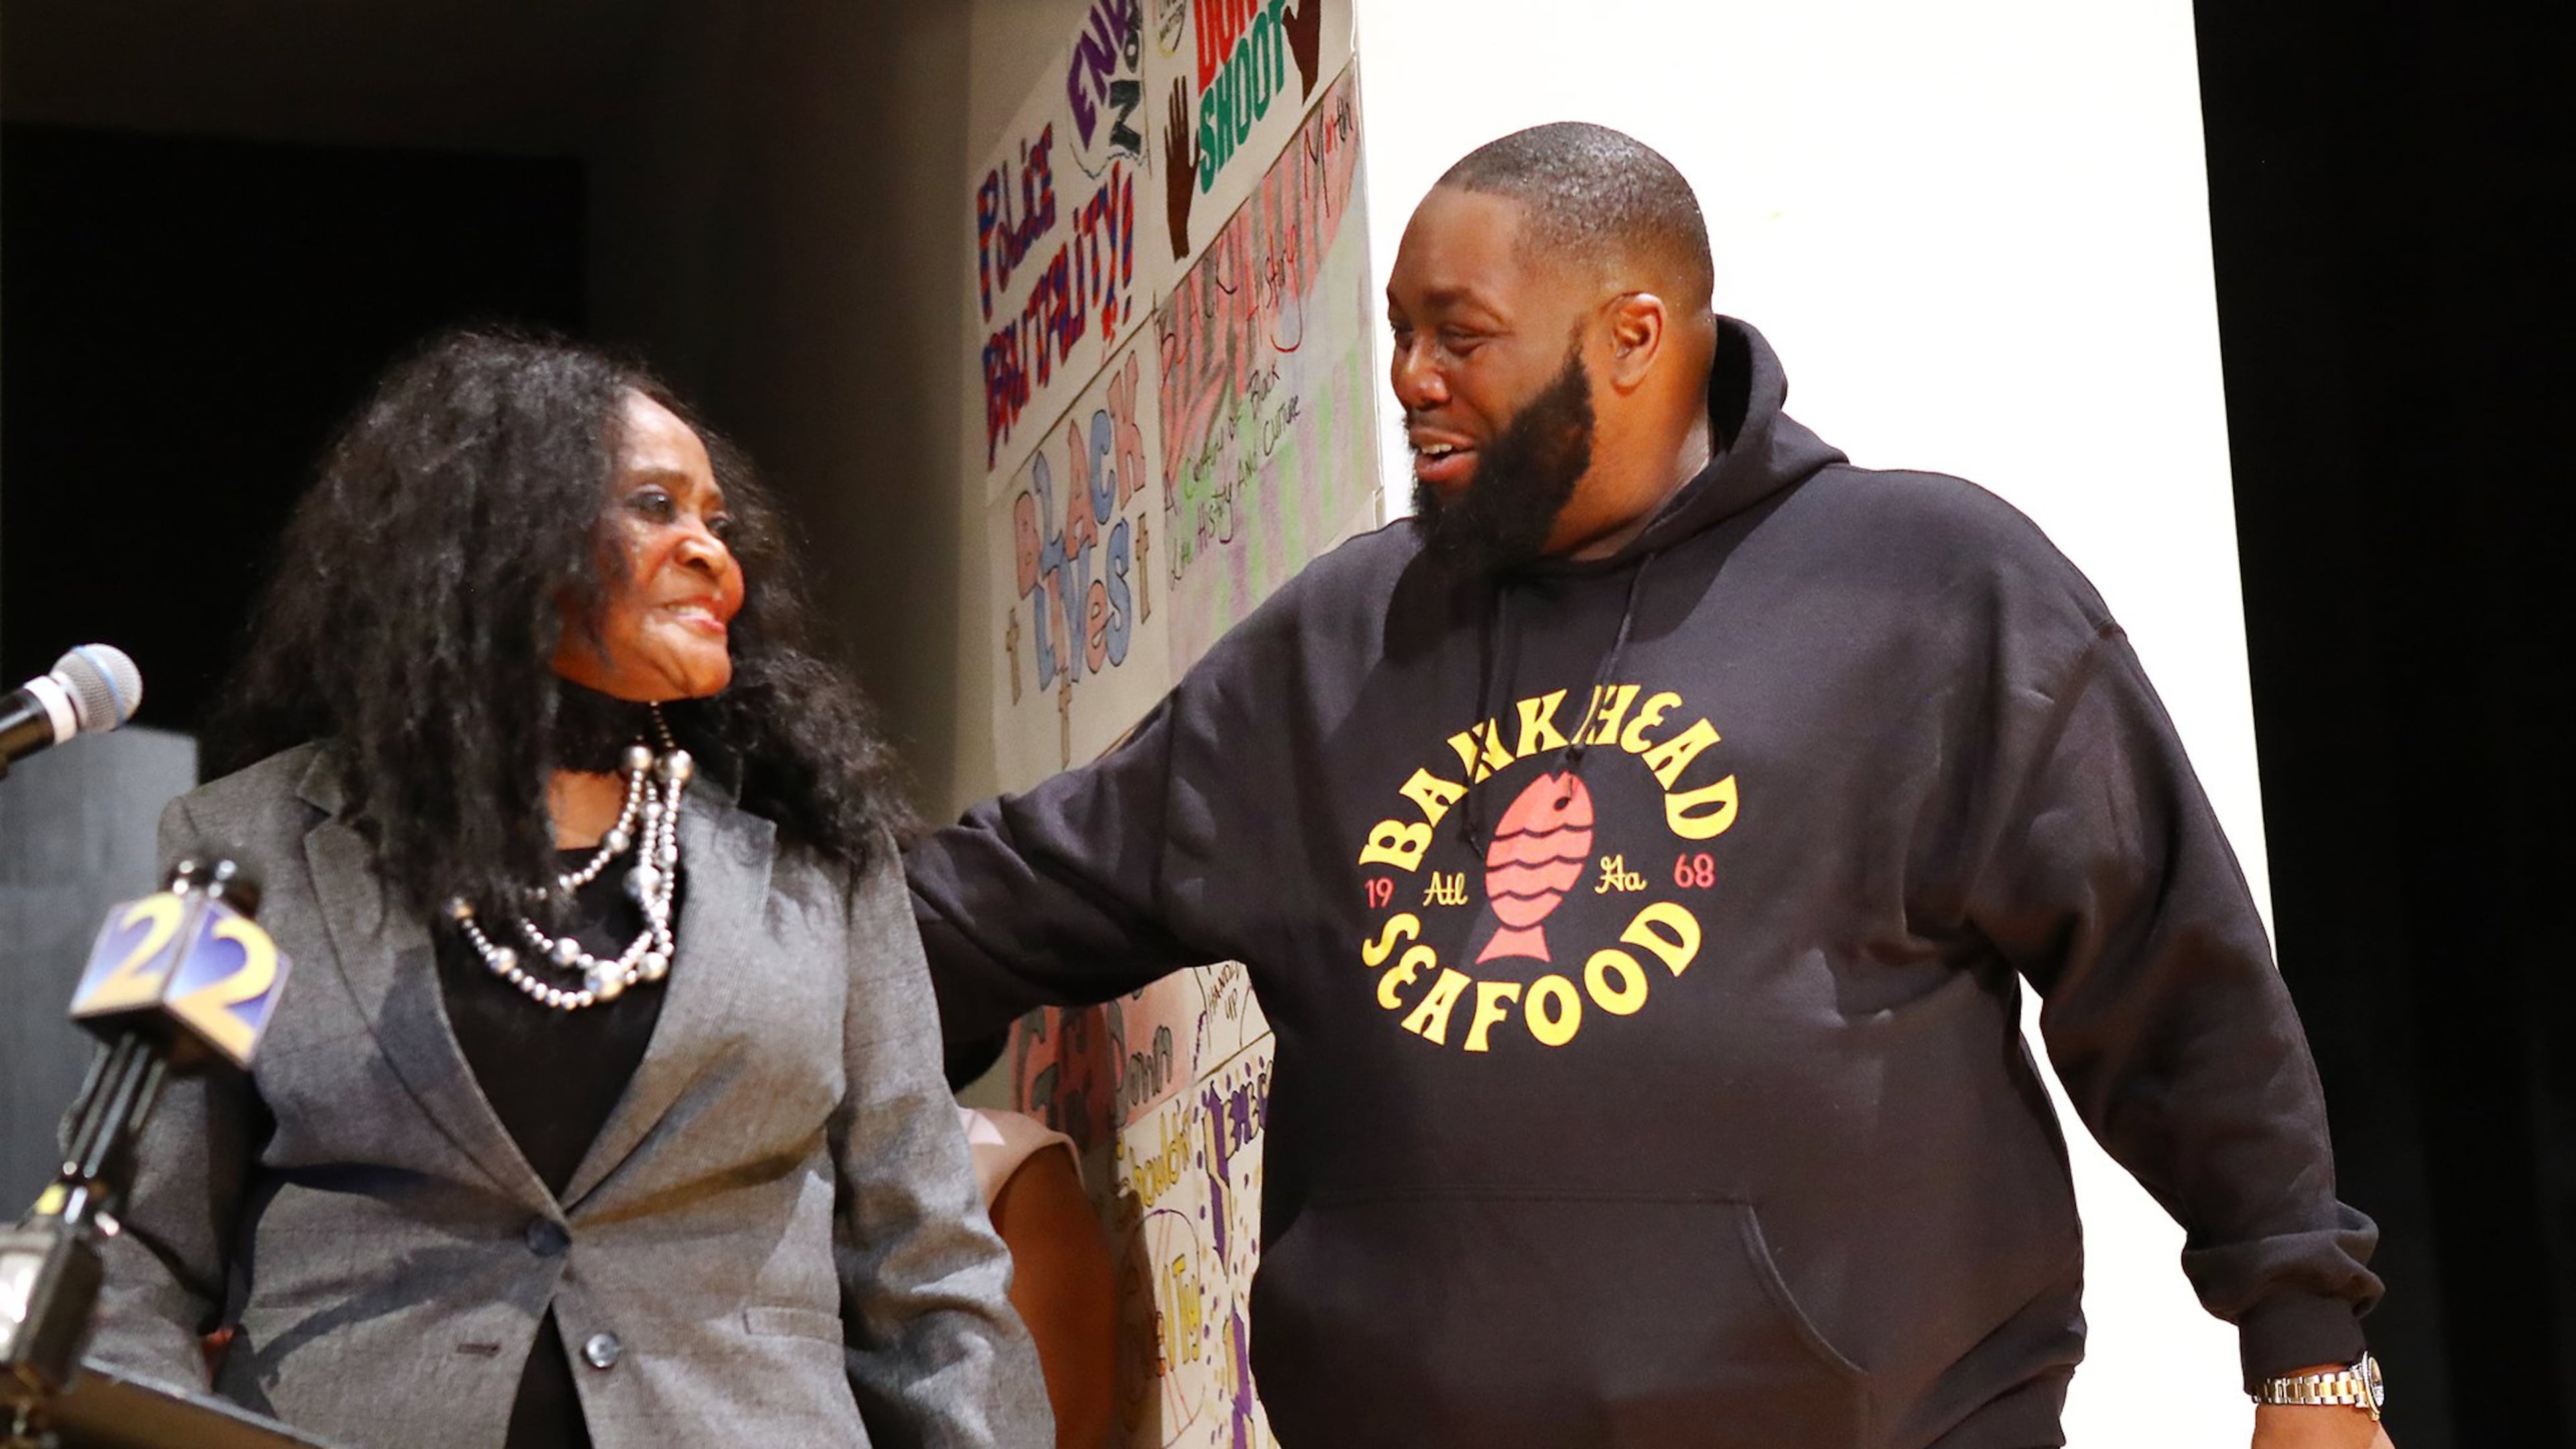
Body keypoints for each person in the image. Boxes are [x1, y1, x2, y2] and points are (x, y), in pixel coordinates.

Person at [907, 124, 2391, 1449]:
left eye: (1460, 335)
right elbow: (1009, 900)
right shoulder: (1338, 648)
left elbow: (2175, 982)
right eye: (1402, 333)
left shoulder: (1928, 589)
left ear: (1633, 335)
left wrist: (2310, 1357)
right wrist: (771, 930)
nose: (1412, 378)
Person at [85, 330, 1050, 1448]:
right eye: (655, 507)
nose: (713, 556)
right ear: (496, 532)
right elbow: (122, 1243)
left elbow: (927, 1262)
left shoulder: (821, 852)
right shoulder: (226, 843)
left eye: (717, 522)